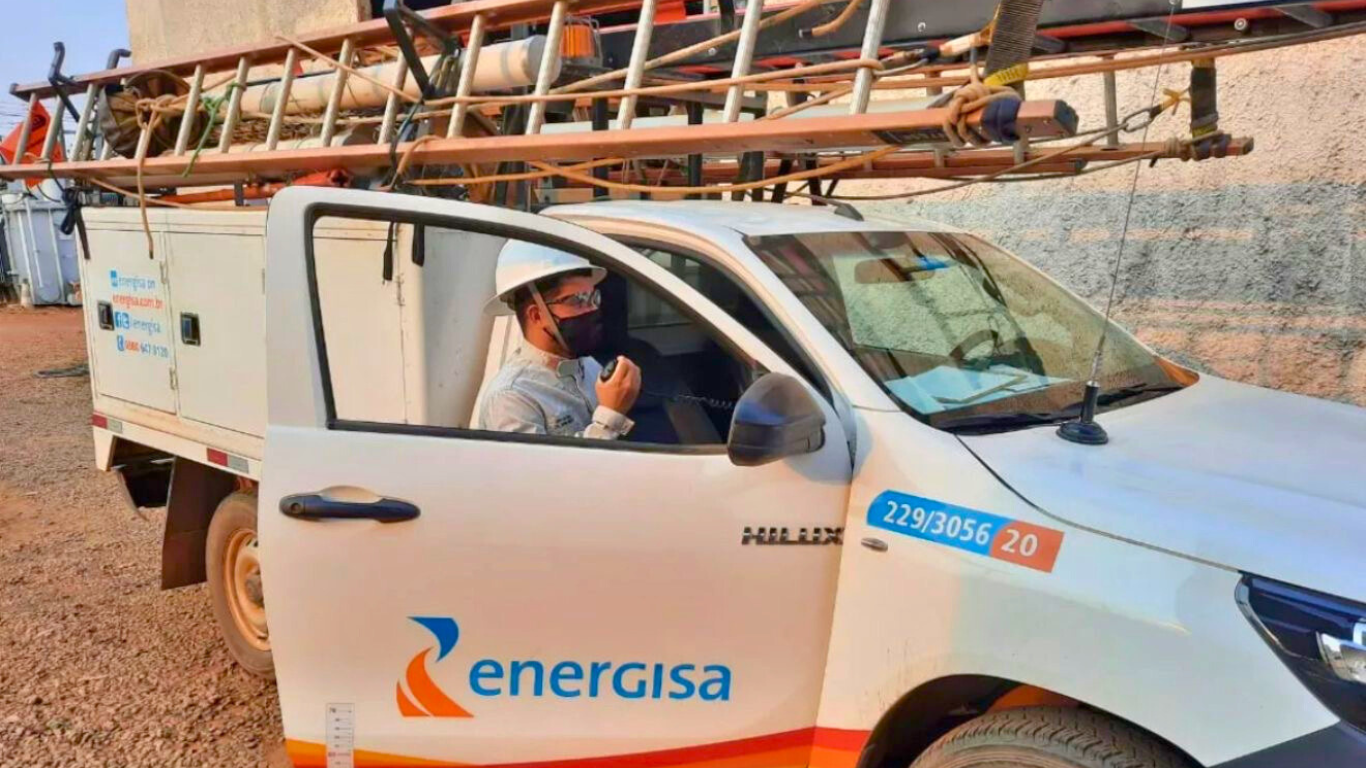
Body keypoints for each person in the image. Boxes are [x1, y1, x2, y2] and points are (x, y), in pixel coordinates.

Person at [477, 241, 642, 439]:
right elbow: (544, 462)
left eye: (593, 297)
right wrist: (610, 416)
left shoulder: (588, 365)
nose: (593, 309)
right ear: (537, 315)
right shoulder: (511, 398)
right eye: (578, 300)